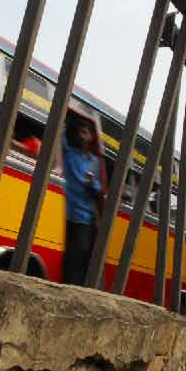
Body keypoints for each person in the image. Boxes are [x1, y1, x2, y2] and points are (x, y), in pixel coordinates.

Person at [61, 117, 103, 286]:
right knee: (71, 259)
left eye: (86, 132)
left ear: (91, 137)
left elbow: (99, 188)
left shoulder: (94, 161)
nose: (82, 136)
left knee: (81, 257)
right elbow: (59, 133)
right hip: (68, 212)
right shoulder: (69, 154)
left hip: (84, 217)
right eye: (80, 132)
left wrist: (92, 182)